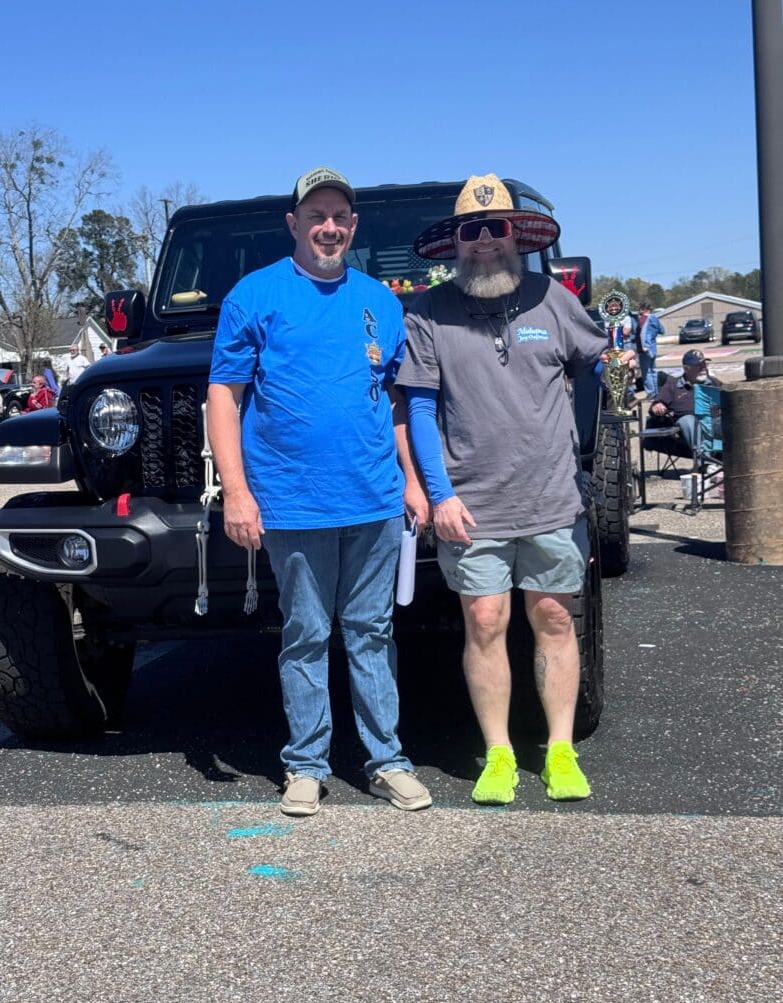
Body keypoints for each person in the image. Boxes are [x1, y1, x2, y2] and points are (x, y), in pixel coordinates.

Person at [206, 166, 431, 818]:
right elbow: (224, 396)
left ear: (352, 226)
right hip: (292, 502)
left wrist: (413, 482)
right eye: (316, 216)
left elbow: (393, 402)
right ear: (294, 224)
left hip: (375, 499)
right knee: (305, 634)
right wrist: (236, 493)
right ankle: (305, 765)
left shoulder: (382, 303)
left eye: (339, 217)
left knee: (371, 633)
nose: (328, 227)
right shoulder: (256, 295)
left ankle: (387, 761)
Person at [397, 170, 620, 805]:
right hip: (470, 504)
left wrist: (581, 452)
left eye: (495, 228)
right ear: (456, 243)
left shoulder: (553, 299)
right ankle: (497, 753)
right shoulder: (428, 313)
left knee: (553, 616)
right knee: (484, 620)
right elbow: (419, 409)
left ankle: (559, 750)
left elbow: (593, 367)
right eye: (471, 231)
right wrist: (439, 494)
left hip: (551, 498)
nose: (484, 242)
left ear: (515, 235)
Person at [648, 349, 722, 455]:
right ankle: (704, 459)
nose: (704, 368)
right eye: (699, 365)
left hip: (712, 424)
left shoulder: (714, 383)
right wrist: (658, 406)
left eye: (705, 364)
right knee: (688, 420)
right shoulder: (673, 385)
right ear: (686, 368)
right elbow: (656, 405)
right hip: (686, 430)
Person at [636, 301, 665, 398]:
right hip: (653, 348)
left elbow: (643, 333)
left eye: (640, 309)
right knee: (653, 370)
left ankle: (651, 393)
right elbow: (662, 330)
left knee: (647, 372)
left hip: (645, 348)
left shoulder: (643, 319)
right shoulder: (654, 318)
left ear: (643, 309)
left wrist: (644, 346)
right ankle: (656, 391)